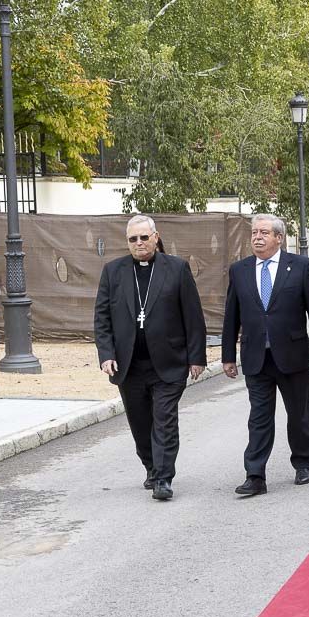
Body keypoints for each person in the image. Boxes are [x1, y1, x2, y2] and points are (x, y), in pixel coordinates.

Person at [94, 215, 207, 501]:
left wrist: (197, 357)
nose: (139, 243)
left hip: (169, 362)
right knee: (140, 422)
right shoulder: (113, 271)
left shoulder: (177, 269)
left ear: (156, 237)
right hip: (129, 364)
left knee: (165, 420)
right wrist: (106, 354)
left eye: (144, 237)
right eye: (133, 239)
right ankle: (151, 466)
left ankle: (163, 478)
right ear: (127, 242)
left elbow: (193, 317)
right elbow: (102, 318)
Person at [222, 214, 309, 496]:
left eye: (264, 233)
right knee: (259, 416)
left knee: (298, 414)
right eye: (254, 232)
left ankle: (303, 462)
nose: (257, 237)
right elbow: (231, 315)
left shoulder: (300, 266)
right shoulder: (240, 270)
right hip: (256, 357)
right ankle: (255, 474)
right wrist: (228, 356)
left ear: (279, 238)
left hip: (293, 356)